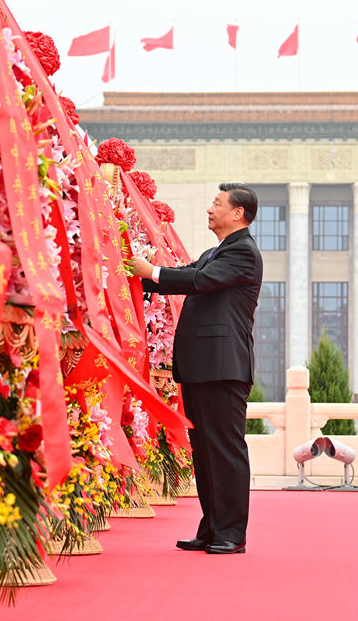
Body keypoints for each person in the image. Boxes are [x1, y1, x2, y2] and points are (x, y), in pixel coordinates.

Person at [132, 183, 262, 555]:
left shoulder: (244, 252)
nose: (209, 209)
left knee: (225, 449)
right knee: (204, 452)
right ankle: (212, 528)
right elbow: (180, 276)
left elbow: (198, 281)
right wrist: (129, 272)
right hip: (201, 366)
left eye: (217, 204)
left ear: (238, 213)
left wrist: (152, 270)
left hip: (224, 366)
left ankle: (232, 533)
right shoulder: (214, 252)